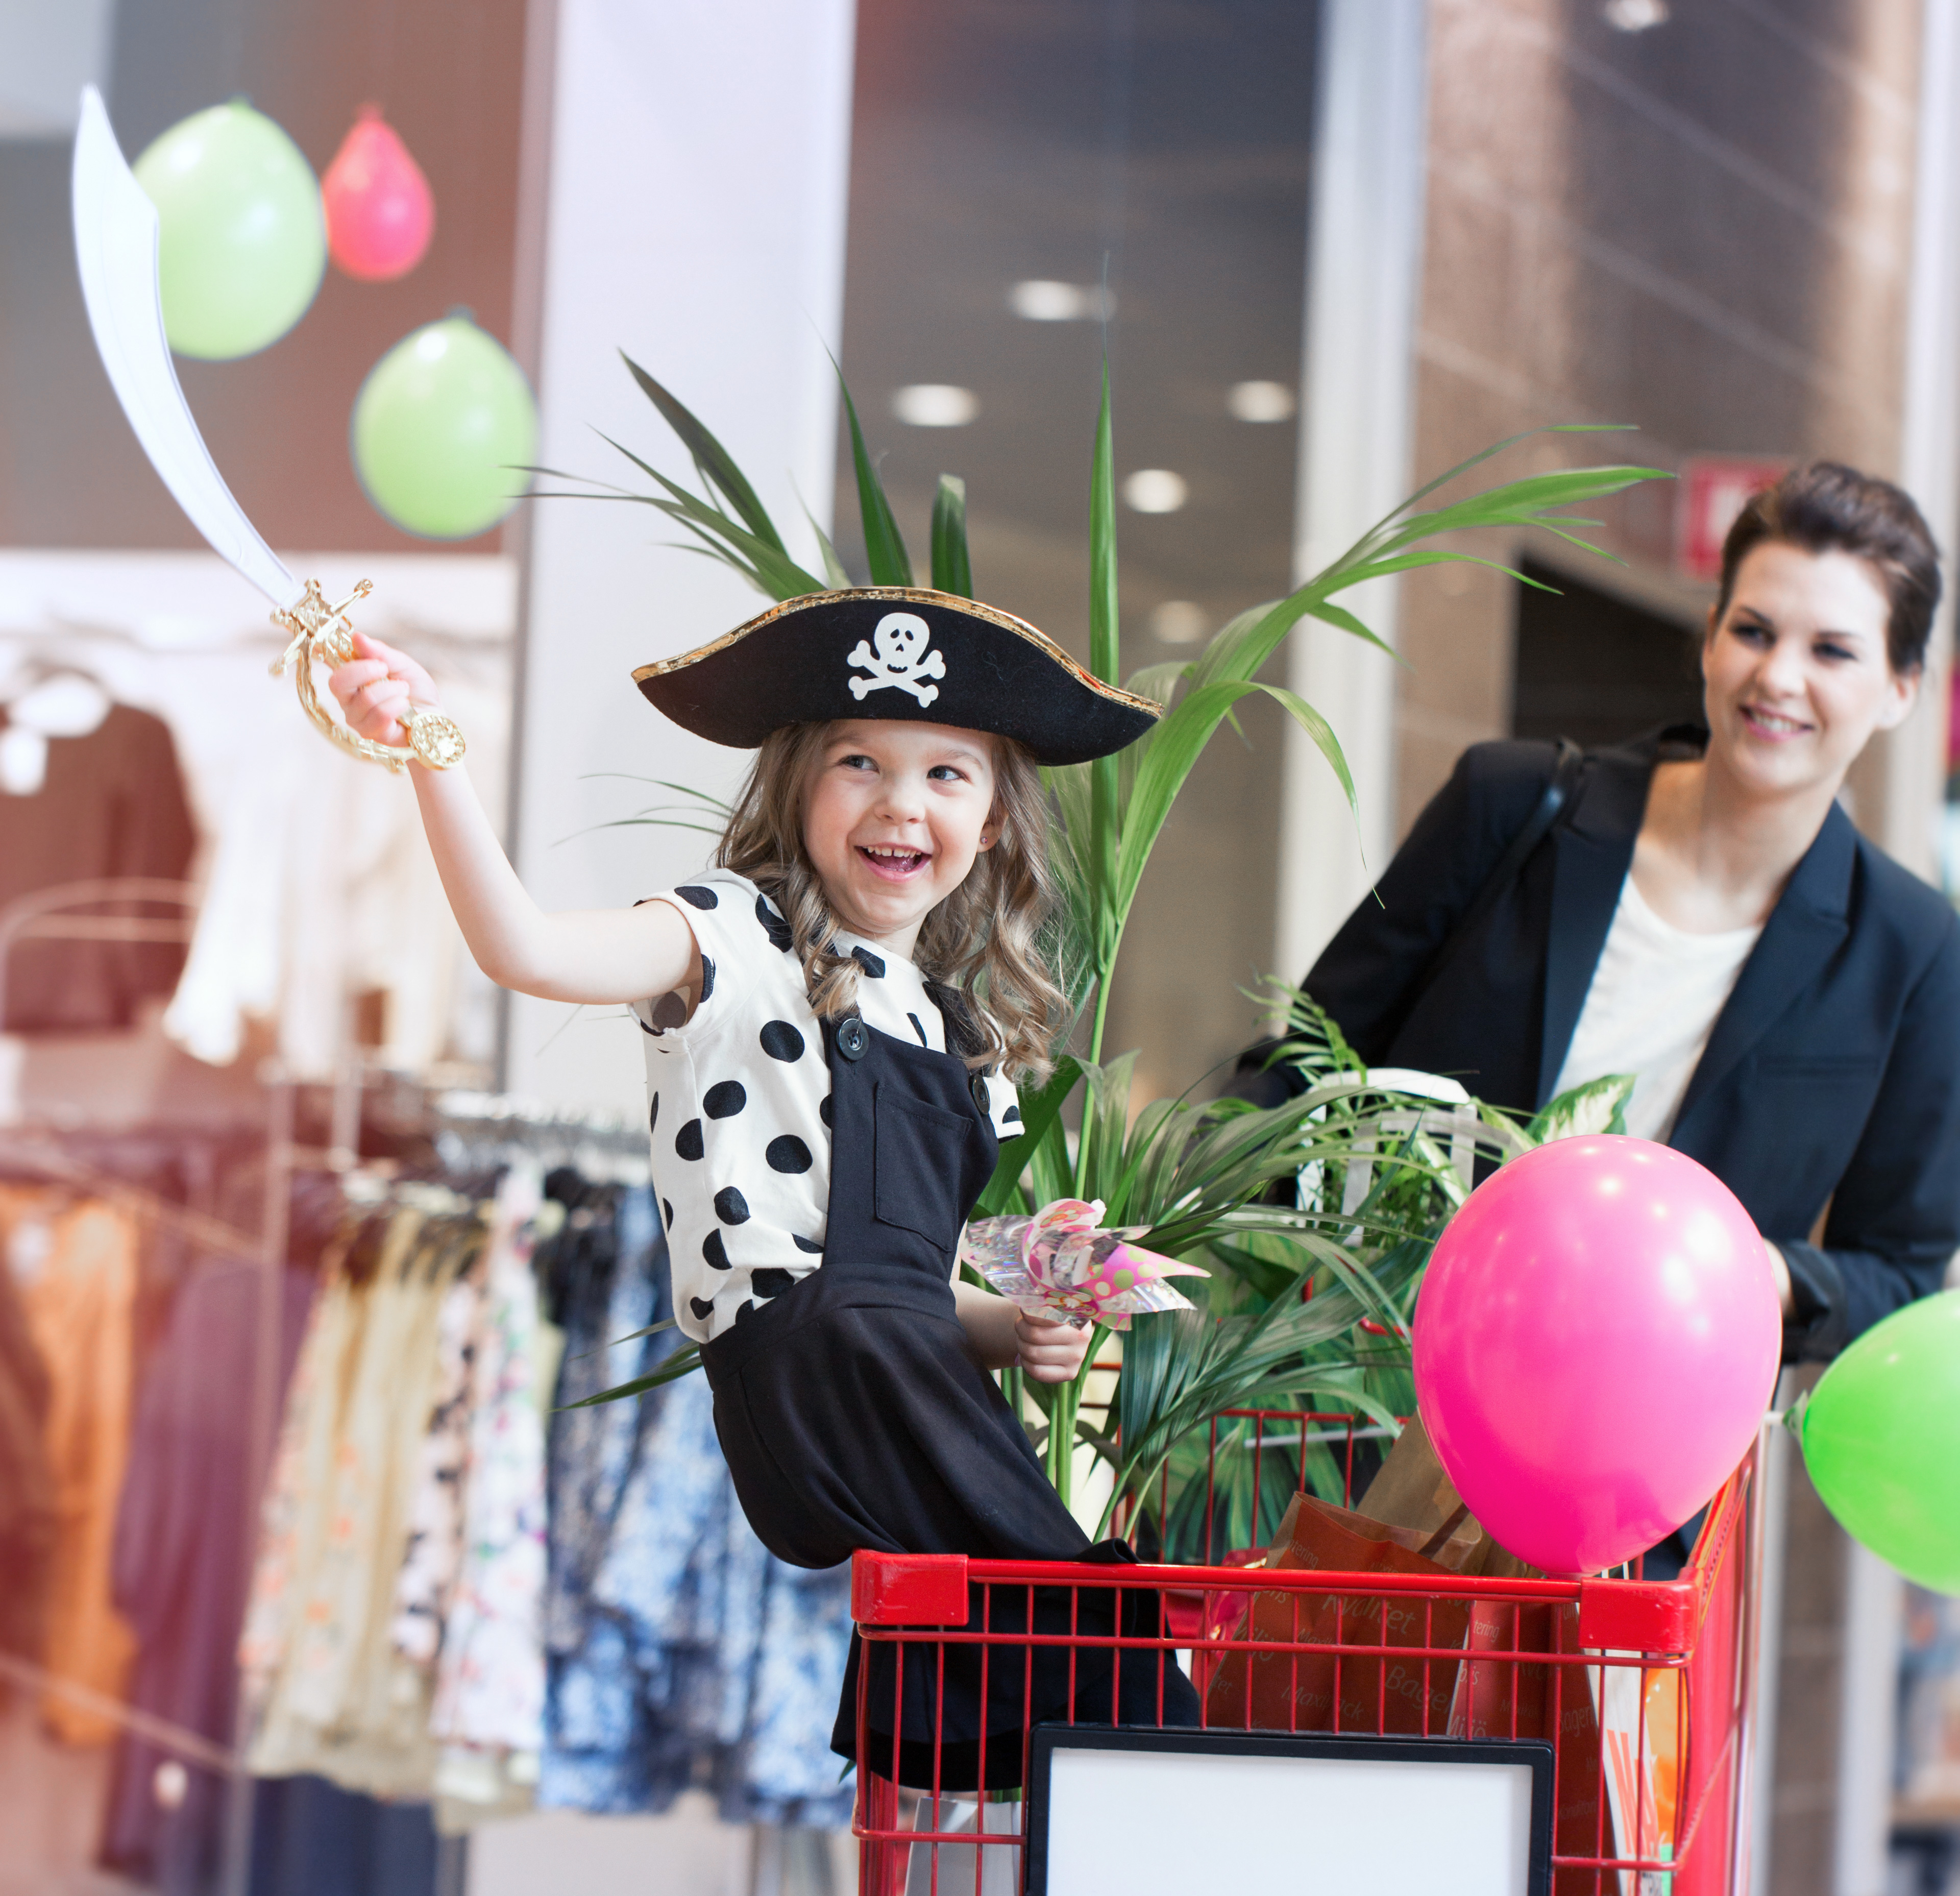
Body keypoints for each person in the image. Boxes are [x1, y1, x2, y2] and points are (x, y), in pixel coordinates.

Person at [330, 587, 1201, 1787]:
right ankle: (1170, 1757)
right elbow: (523, 949)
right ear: (795, 787)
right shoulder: (724, 937)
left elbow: (901, 1283)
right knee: (1105, 1651)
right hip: (807, 1360)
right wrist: (432, 751)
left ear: (997, 822)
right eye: (860, 762)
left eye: (948, 774)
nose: (902, 802)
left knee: (1001, 1642)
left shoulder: (954, 1032)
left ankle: (996, 1759)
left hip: (884, 1354)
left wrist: (1013, 1327)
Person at [1245, 460, 1960, 1370]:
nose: (1778, 676)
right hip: (1362, 1398)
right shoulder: (1511, 805)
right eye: (1754, 630)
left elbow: (1898, 1273)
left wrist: (1755, 1269)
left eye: (1833, 650)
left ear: (1902, 688)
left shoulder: (1913, 947)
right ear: (1710, 638)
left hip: (1641, 1458)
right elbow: (1304, 1067)